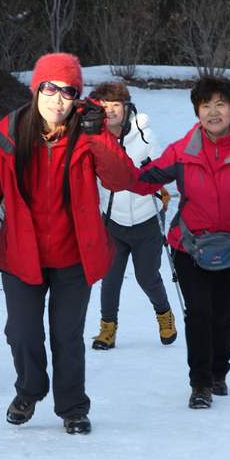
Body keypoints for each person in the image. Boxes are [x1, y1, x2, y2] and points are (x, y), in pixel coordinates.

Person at [0, 53, 138, 435]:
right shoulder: (8, 131)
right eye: (50, 88)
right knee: (22, 332)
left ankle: (73, 407)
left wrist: (100, 135)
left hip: (73, 255)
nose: (58, 99)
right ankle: (29, 391)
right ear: (36, 89)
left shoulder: (88, 133)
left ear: (76, 96)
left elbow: (120, 179)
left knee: (67, 335)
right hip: (21, 253)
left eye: (68, 91)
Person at [126, 76, 230, 410]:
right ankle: (200, 384)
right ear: (197, 112)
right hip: (189, 246)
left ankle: (218, 373)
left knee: (223, 313)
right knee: (198, 313)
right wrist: (110, 158)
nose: (213, 112)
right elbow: (143, 179)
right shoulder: (181, 151)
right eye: (205, 105)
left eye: (220, 104)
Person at [90, 81, 177, 351]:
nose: (111, 111)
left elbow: (161, 169)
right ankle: (107, 329)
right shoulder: (93, 139)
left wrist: (160, 189)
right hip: (113, 220)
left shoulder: (146, 136)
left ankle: (165, 315)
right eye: (105, 107)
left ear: (126, 107)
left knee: (147, 276)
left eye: (116, 105)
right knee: (111, 277)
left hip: (146, 219)